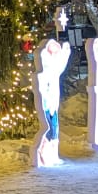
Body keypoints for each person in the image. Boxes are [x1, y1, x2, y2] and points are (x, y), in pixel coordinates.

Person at [31, 33, 71, 167]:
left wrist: (66, 51)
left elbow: (61, 65)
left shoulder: (55, 71)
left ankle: (52, 154)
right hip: (46, 104)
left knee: (54, 127)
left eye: (55, 52)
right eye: (51, 52)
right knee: (47, 127)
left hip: (53, 104)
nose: (54, 55)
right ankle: (42, 151)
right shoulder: (42, 74)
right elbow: (41, 89)